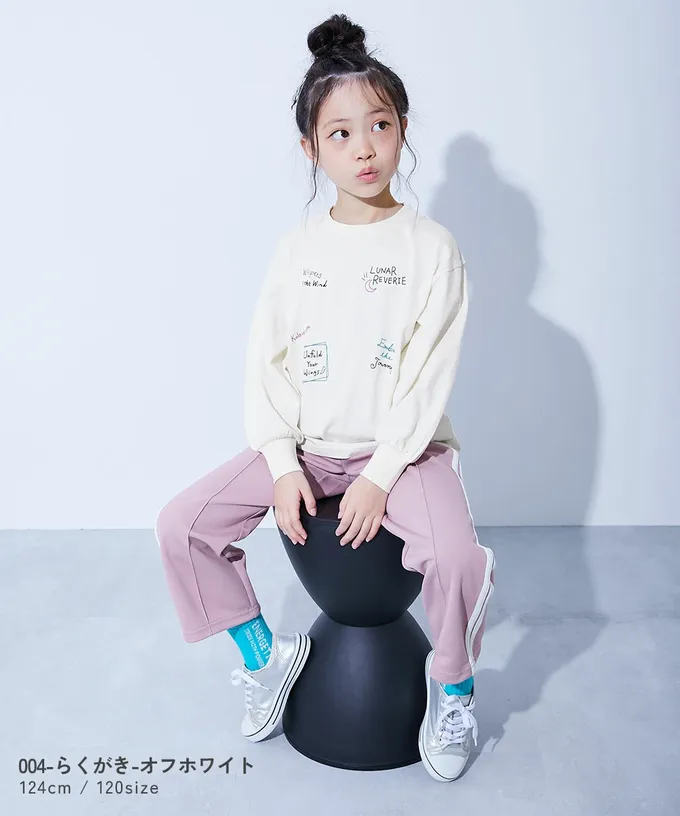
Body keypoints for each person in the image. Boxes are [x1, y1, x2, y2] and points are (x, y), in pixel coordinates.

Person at [155, 12, 495, 784]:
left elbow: (428, 375)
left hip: (403, 453)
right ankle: (264, 656)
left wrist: (380, 475)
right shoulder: (296, 250)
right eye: (341, 134)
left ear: (402, 129)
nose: (364, 148)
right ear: (312, 148)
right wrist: (281, 464)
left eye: (379, 125)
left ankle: (452, 689)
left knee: (456, 557)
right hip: (309, 448)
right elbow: (266, 365)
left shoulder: (432, 249)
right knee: (183, 524)